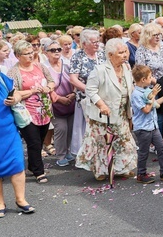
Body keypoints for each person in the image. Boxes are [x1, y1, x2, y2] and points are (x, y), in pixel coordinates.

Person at [75, 39, 138, 182]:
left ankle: (122, 168)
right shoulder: (100, 70)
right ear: (110, 55)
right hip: (102, 115)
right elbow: (90, 90)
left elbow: (130, 87)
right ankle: (100, 171)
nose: (124, 55)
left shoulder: (127, 67)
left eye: (125, 52)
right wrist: (101, 105)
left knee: (124, 141)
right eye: (120, 53)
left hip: (121, 112)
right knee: (101, 143)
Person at [0, 56, 35, 217]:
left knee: (17, 164)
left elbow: (18, 95)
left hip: (9, 132)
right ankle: (0, 203)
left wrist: (15, 98)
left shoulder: (1, 79)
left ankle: (21, 200)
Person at [8, 40, 55, 184]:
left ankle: (32, 165)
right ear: (17, 56)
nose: (30, 55)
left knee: (39, 140)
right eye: (26, 53)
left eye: (31, 52)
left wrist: (48, 88)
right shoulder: (13, 72)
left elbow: (51, 81)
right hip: (26, 113)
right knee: (33, 142)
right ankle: (38, 171)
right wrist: (32, 91)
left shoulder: (40, 66)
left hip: (44, 110)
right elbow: (13, 93)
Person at [60, 29, 105, 167]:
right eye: (94, 42)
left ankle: (103, 154)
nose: (97, 44)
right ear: (84, 43)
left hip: (103, 97)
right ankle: (88, 157)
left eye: (98, 41)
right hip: (86, 99)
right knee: (87, 129)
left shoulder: (102, 55)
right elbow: (73, 79)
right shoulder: (78, 56)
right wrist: (91, 92)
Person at [130, 65, 163, 184]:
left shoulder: (147, 91)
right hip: (143, 128)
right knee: (144, 151)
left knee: (161, 148)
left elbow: (155, 104)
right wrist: (152, 96)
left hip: (153, 126)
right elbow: (146, 109)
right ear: (143, 79)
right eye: (150, 76)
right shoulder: (136, 94)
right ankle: (141, 173)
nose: (151, 78)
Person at [135, 23, 163, 148]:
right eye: (154, 35)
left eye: (159, 34)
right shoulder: (142, 50)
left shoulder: (162, 48)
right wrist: (155, 81)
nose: (158, 37)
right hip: (151, 85)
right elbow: (141, 70)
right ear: (147, 36)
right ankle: (158, 139)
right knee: (158, 111)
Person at [44, 41, 76, 164]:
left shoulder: (67, 64)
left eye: (58, 49)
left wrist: (73, 94)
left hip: (71, 102)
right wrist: (58, 98)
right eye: (52, 50)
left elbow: (75, 80)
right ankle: (61, 156)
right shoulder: (44, 67)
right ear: (46, 53)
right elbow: (45, 87)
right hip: (55, 105)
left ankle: (68, 151)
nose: (56, 52)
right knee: (61, 129)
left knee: (70, 128)